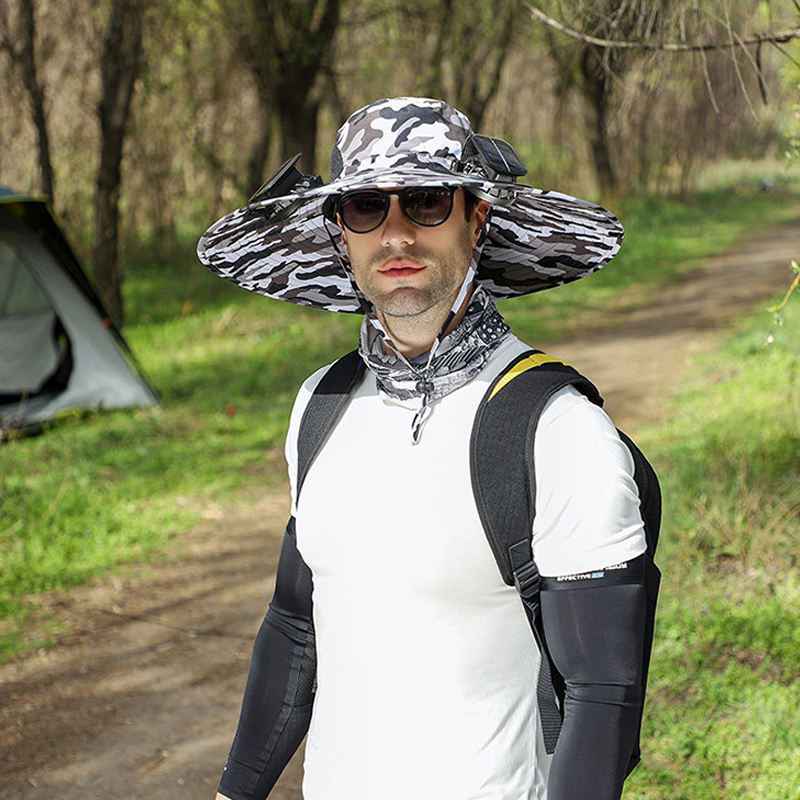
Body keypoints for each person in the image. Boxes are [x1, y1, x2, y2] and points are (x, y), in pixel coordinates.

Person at [198, 97, 649, 800]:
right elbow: (295, 625)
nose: (396, 234)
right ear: (339, 232)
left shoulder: (557, 429)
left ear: (477, 218)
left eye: (428, 201)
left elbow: (603, 691)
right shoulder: (319, 404)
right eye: (365, 207)